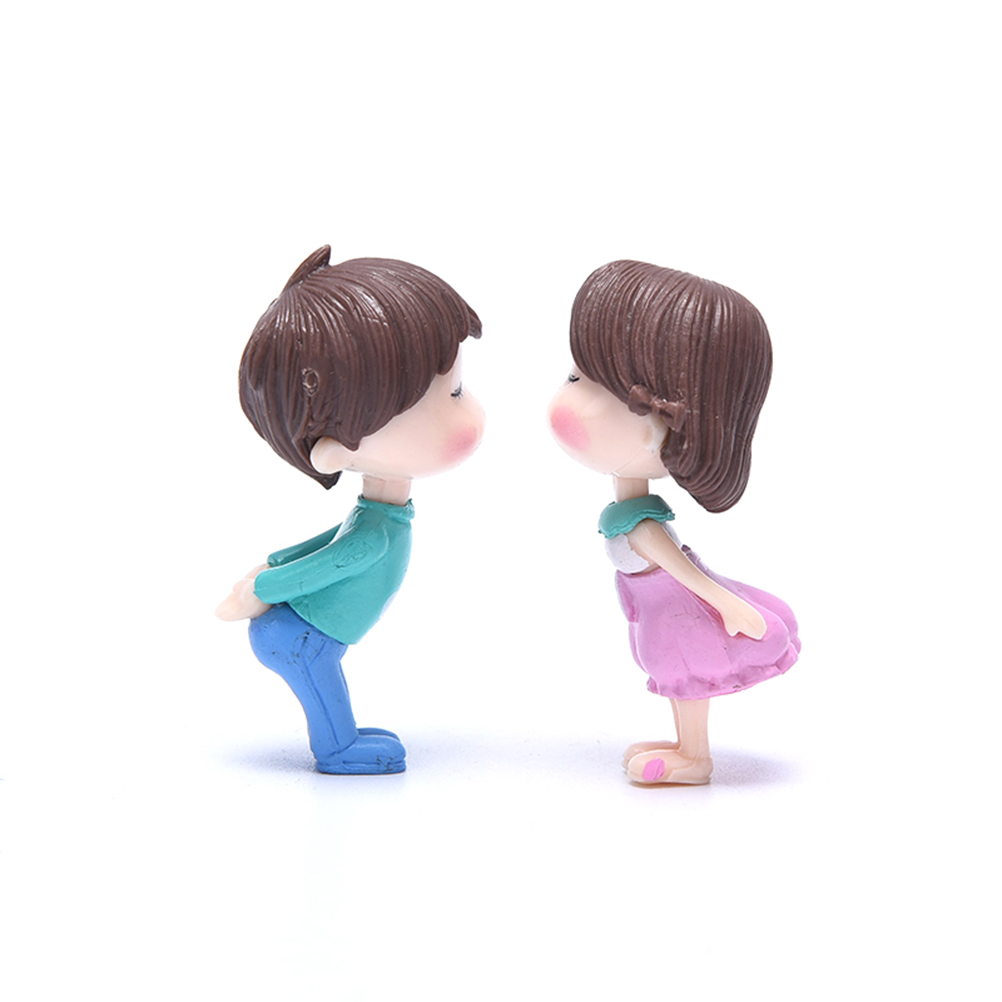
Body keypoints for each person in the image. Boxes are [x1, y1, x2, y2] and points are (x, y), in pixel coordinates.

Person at [217, 246, 485, 774]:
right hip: (300, 636)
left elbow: (329, 542)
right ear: (336, 452)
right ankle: (337, 748)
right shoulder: (376, 535)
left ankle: (342, 739)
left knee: (325, 675)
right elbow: (330, 563)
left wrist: (274, 561)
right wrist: (264, 587)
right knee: (321, 676)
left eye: (458, 389)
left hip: (302, 627)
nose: (470, 412)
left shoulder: (375, 516)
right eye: (451, 395)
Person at [548, 260, 800, 785]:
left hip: (677, 613)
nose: (571, 401)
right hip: (659, 608)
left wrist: (727, 604)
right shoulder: (631, 511)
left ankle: (695, 758)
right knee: (678, 679)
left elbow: (680, 569)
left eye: (604, 390)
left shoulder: (643, 524)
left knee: (687, 677)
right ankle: (686, 747)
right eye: (574, 376)